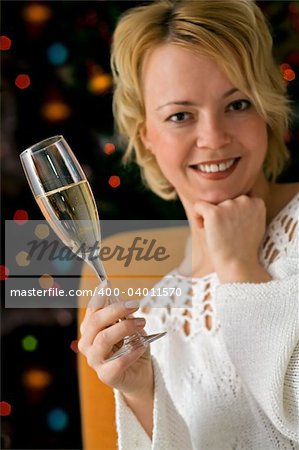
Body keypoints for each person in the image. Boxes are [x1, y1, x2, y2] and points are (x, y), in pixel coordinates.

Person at [78, 0, 299, 448]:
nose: (214, 138)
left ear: (267, 110)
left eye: (237, 104)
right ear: (146, 136)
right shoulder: (155, 312)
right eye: (180, 115)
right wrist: (141, 393)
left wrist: (240, 269)